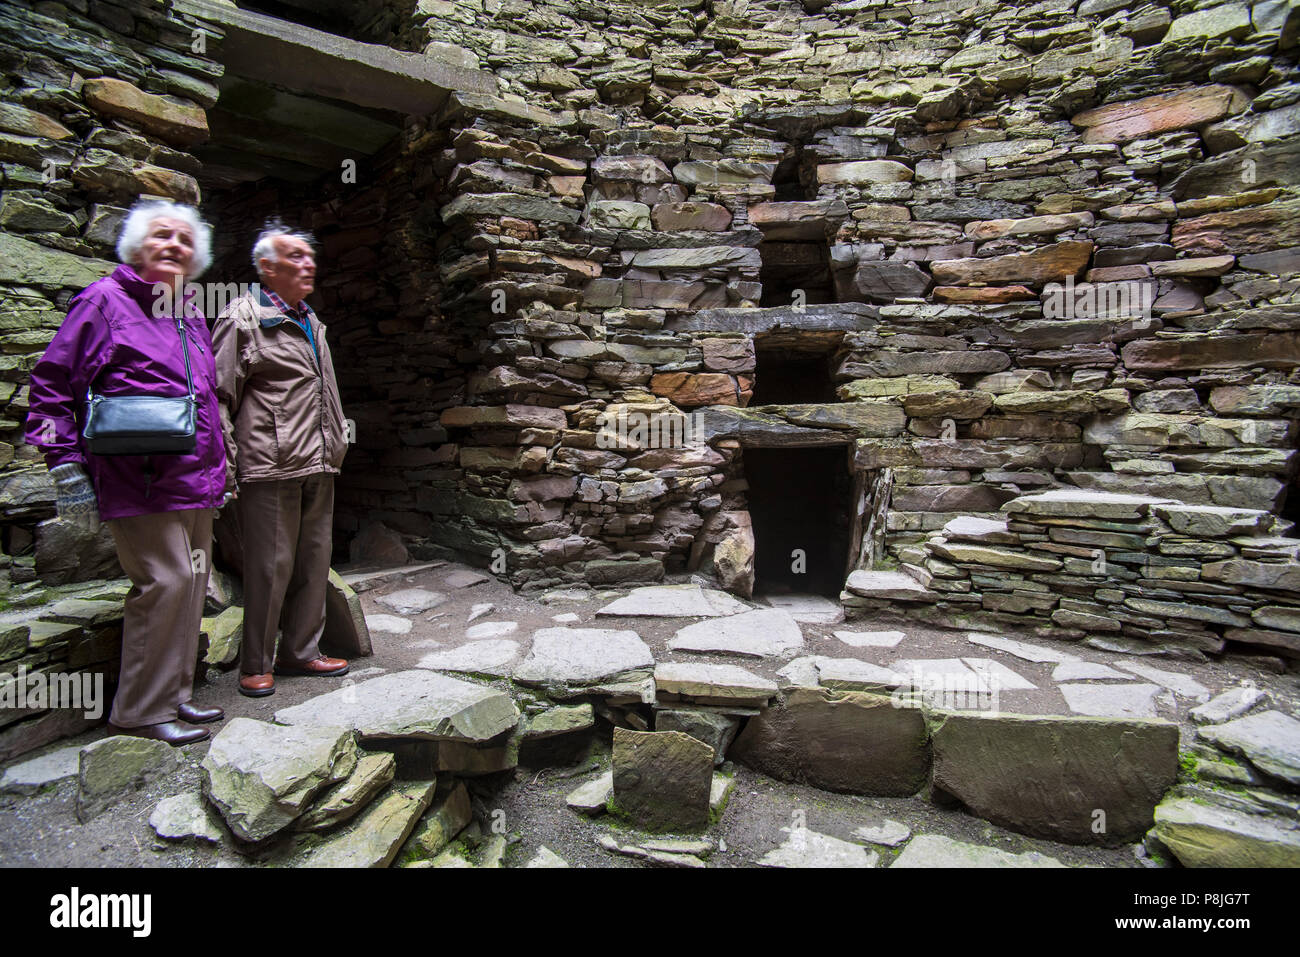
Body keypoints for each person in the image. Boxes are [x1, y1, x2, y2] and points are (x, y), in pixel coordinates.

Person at [25, 200, 229, 746]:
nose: (174, 246)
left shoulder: (188, 308)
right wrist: (65, 468)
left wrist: (219, 470)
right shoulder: (103, 301)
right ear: (136, 245)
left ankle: (174, 697)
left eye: (185, 240)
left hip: (193, 474)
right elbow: (49, 387)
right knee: (166, 582)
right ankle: (138, 711)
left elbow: (203, 398)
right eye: (162, 235)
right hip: (136, 475)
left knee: (192, 583)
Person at [213, 221, 349, 698]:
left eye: (309, 256)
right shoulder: (242, 318)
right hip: (270, 462)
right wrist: (227, 468)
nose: (307, 262)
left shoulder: (312, 321)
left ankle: (301, 652)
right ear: (266, 267)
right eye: (294, 256)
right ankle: (255, 663)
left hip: (318, 459)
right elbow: (219, 398)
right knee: (271, 566)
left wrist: (336, 443)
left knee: (314, 561)